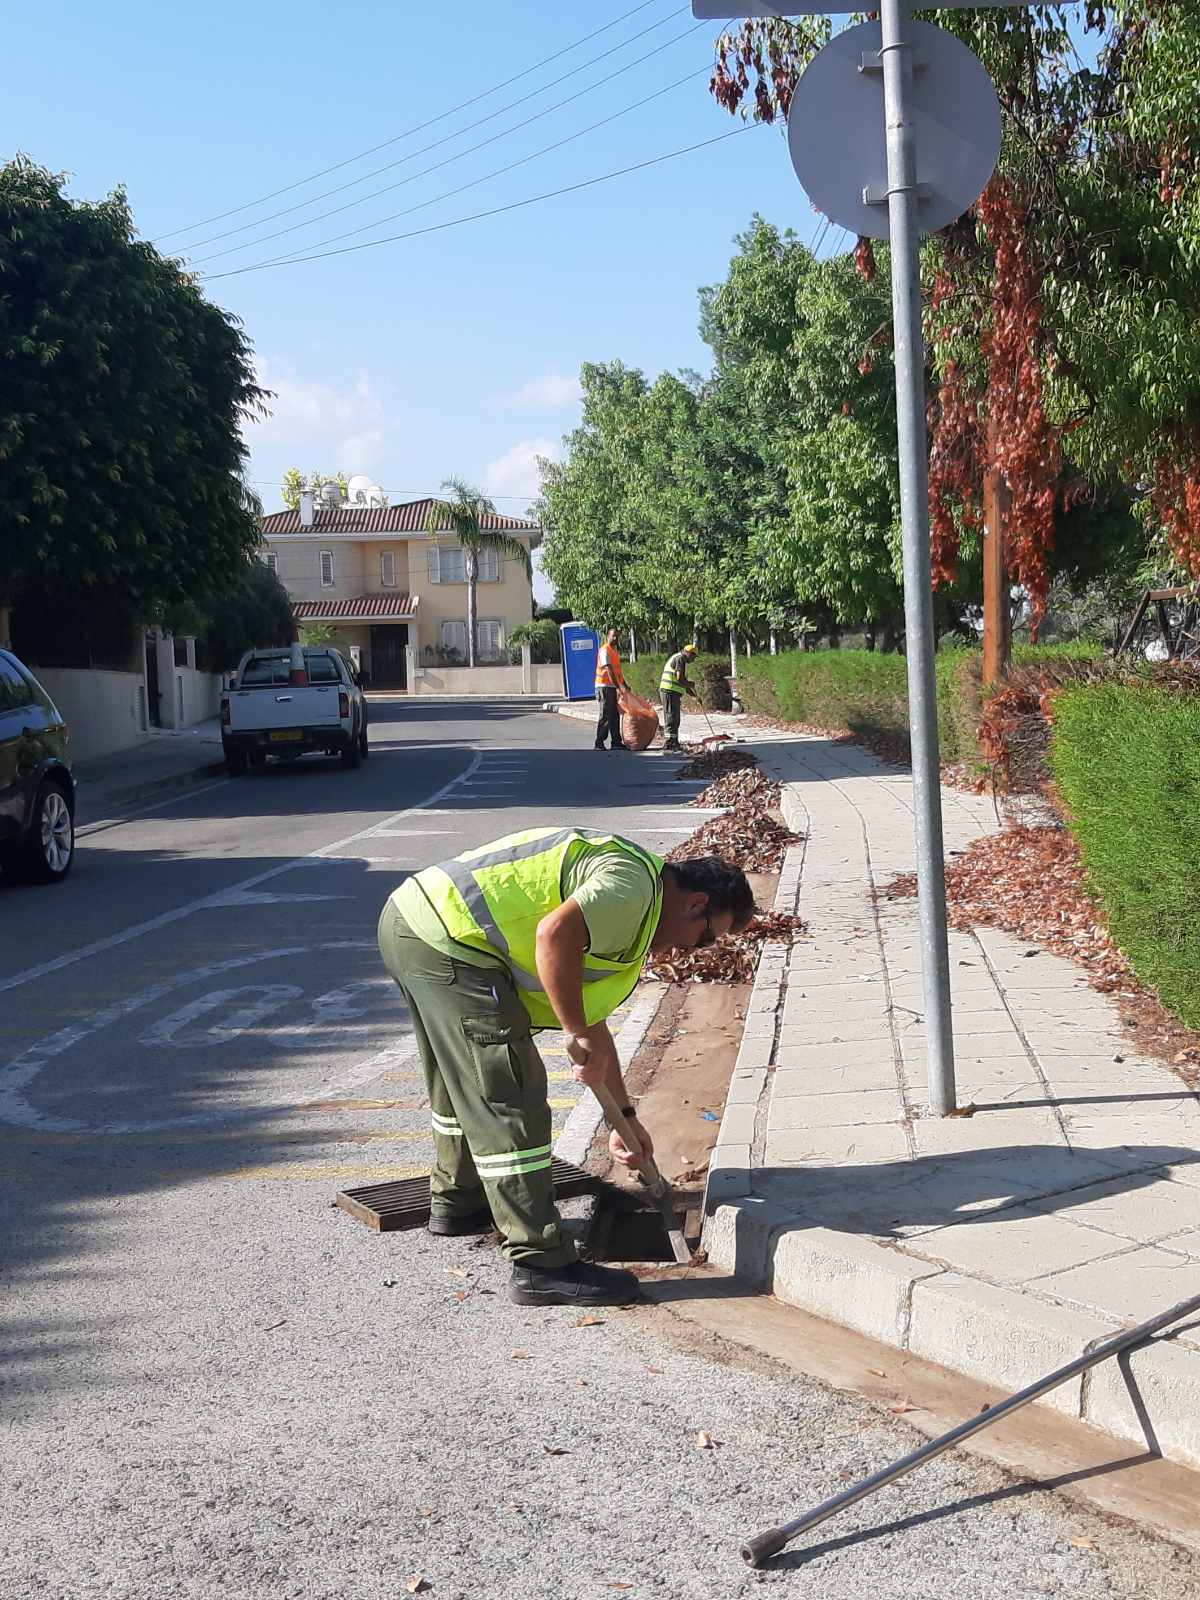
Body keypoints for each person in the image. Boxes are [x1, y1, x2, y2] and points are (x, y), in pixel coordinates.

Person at [378, 829, 755, 1307]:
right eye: (705, 938)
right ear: (696, 903)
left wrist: (625, 1118)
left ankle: (459, 1201)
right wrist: (573, 1032)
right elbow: (553, 935)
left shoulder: (633, 905)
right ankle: (540, 1264)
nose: (691, 950)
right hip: (449, 941)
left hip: (417, 926)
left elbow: (590, 1020)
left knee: (462, 1080)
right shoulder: (632, 889)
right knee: (508, 1092)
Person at [659, 642, 698, 752]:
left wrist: (694, 696)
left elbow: (682, 683)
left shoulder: (680, 659)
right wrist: (690, 684)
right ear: (689, 653)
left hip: (673, 692)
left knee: (675, 718)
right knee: (671, 716)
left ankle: (674, 741)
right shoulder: (680, 659)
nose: (693, 660)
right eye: (694, 657)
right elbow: (679, 679)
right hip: (669, 690)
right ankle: (670, 742)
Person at [593, 626, 628, 751]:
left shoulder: (614, 651)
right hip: (604, 687)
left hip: (611, 687)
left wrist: (625, 685)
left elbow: (618, 672)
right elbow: (609, 670)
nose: (615, 638)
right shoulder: (605, 650)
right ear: (608, 636)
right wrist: (619, 687)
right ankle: (599, 742)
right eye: (613, 636)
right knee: (606, 715)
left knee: (614, 715)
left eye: (617, 636)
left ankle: (616, 742)